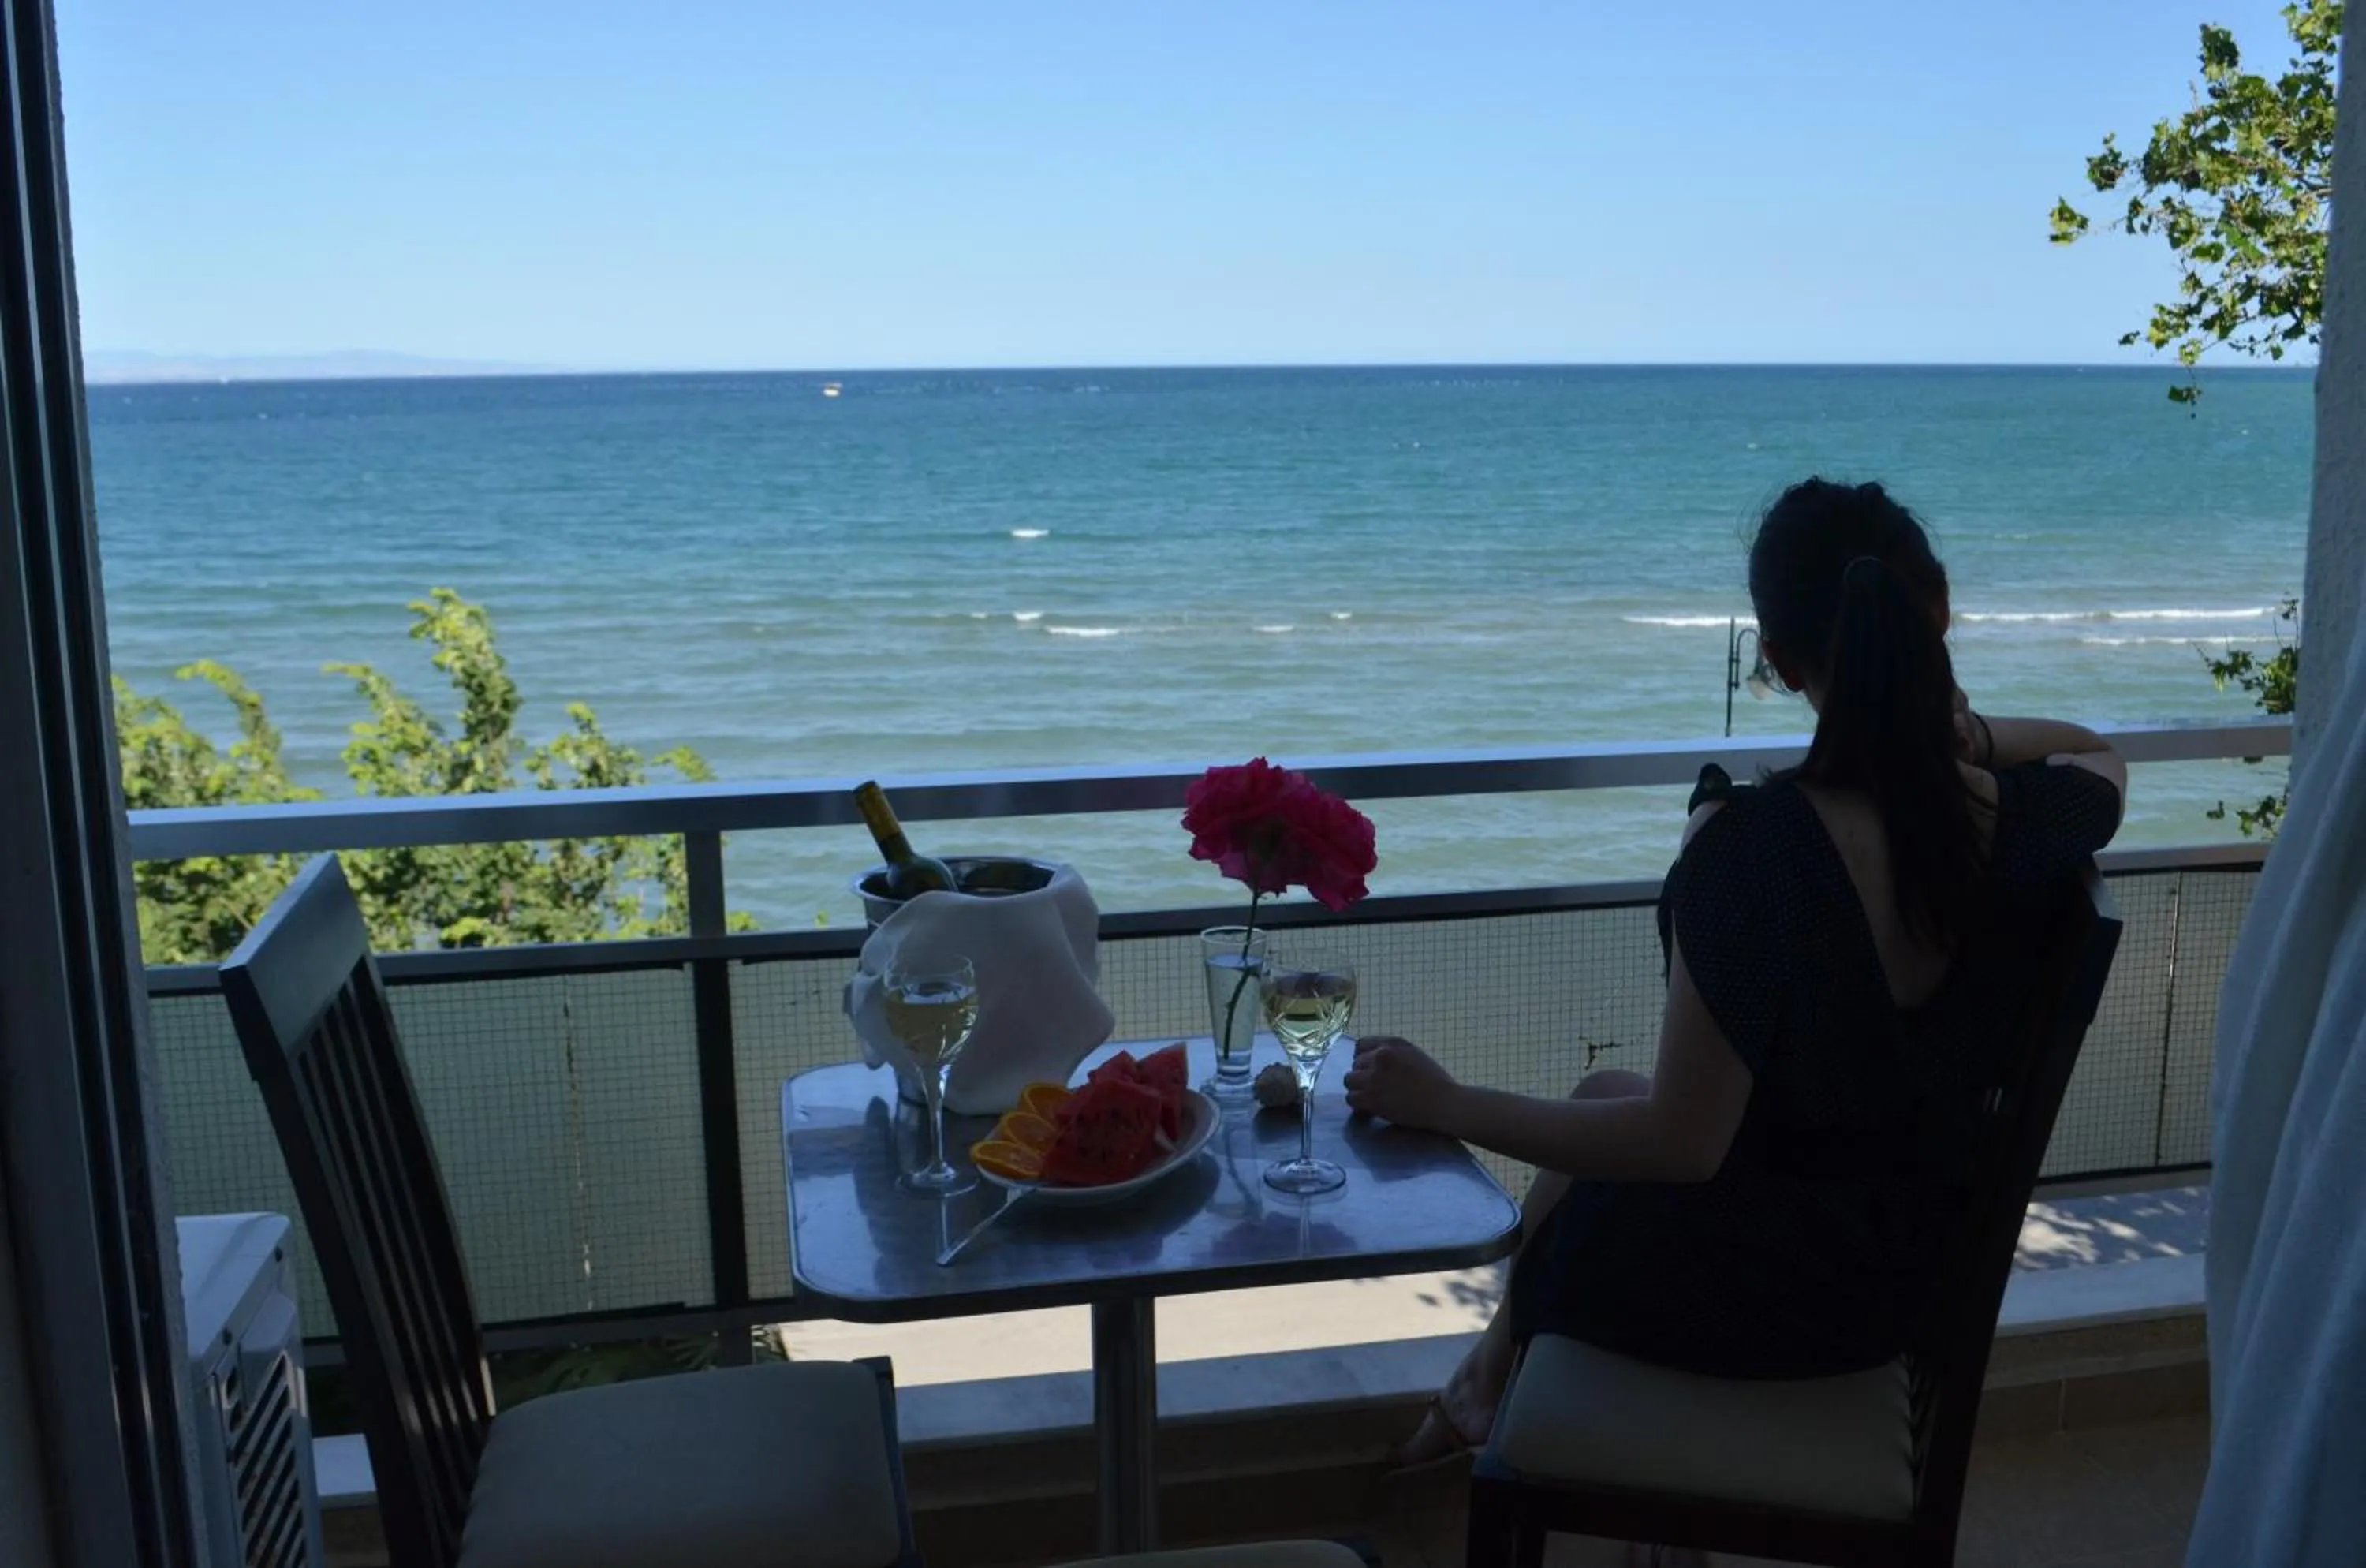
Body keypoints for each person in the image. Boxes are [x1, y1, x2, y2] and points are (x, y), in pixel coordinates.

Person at [1352, 477, 2128, 1473]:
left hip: (1785, 1294)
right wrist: (1966, 739)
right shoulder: (2015, 824)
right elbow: (2100, 753)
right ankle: (1479, 1385)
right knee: (1598, 1104)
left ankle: (1483, 1388)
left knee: (1581, 1213)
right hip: (1903, 1267)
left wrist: (1447, 1101)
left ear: (1774, 656)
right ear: (1936, 616)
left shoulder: (1754, 853)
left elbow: (1683, 1141)